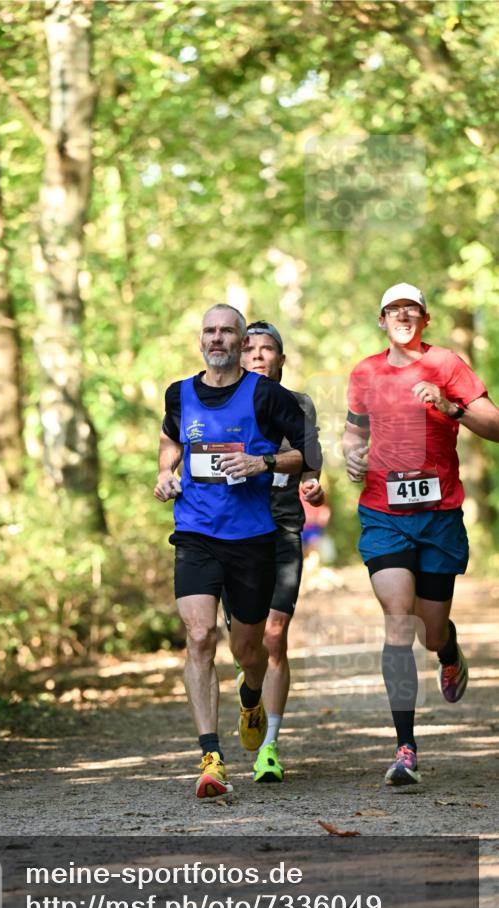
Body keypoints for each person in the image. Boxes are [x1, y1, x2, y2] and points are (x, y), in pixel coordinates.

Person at [154, 304, 322, 799]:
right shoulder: (179, 393)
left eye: (228, 331)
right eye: (210, 331)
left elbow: (307, 451)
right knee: (201, 634)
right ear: (200, 339)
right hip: (196, 533)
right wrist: (166, 473)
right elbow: (169, 439)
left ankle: (252, 696)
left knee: (251, 650)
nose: (218, 339)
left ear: (240, 339)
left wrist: (262, 460)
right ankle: (211, 758)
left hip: (252, 538)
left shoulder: (266, 394)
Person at [342, 282, 499, 787]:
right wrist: (350, 454)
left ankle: (449, 652)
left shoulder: (448, 364)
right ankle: (404, 747)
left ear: (424, 319)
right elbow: (354, 430)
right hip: (383, 513)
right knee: (396, 618)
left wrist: (452, 407)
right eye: (393, 310)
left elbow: (494, 426)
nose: (403, 316)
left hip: (439, 516)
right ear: (382, 320)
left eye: (412, 309)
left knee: (431, 631)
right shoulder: (364, 372)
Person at [223, 321, 325, 783]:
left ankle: (270, 747)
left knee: (274, 636)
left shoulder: (298, 405)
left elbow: (310, 461)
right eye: (251, 348)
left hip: (283, 529)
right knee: (245, 648)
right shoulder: (216, 399)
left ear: (281, 359)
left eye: (269, 349)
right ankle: (250, 695)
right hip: (231, 535)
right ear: (239, 357)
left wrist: (312, 485)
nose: (259, 355)